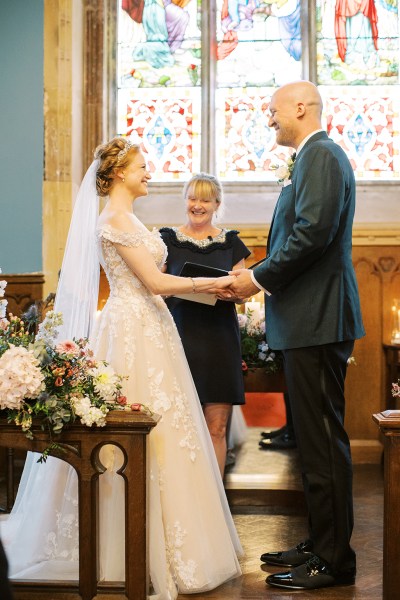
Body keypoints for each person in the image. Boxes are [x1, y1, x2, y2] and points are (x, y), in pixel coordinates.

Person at [1, 137, 242, 599]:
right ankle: (121, 545)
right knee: (135, 432)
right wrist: (214, 285)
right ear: (118, 175)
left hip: (154, 328)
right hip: (131, 333)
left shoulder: (132, 218)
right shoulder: (112, 221)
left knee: (174, 434)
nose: (148, 173)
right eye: (141, 167)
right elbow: (152, 281)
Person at [224, 81, 365, 590]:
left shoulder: (321, 156)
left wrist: (256, 278)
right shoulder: (311, 157)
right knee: (310, 439)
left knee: (323, 441)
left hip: (318, 317)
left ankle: (334, 558)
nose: (270, 119)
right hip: (307, 316)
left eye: (273, 110)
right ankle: (321, 540)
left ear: (301, 108)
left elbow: (311, 235)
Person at [160, 173, 251, 477]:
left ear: (216, 204)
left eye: (205, 199)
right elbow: (154, 287)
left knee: (217, 427)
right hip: (179, 337)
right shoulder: (165, 240)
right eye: (192, 197)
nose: (197, 205)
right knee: (178, 427)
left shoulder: (231, 243)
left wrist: (230, 293)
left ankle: (215, 505)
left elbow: (243, 295)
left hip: (219, 340)